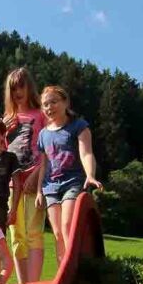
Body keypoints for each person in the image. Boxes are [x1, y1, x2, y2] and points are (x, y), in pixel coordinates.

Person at [35, 85, 102, 260]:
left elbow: (86, 153)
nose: (49, 107)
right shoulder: (43, 134)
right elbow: (43, 165)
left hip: (72, 182)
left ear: (65, 102)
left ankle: (75, 268)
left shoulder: (78, 126)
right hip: (50, 187)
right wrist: (38, 191)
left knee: (67, 226)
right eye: (45, 104)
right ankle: (62, 276)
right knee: (57, 233)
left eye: (53, 102)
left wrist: (90, 175)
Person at [2, 68, 48, 284]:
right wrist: (3, 131)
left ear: (30, 87)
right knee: (17, 235)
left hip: (34, 182)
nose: (17, 91)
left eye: (21, 86)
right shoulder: (7, 120)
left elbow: (49, 151)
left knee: (33, 232)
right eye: (13, 88)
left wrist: (36, 175)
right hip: (13, 185)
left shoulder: (41, 115)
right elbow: (0, 154)